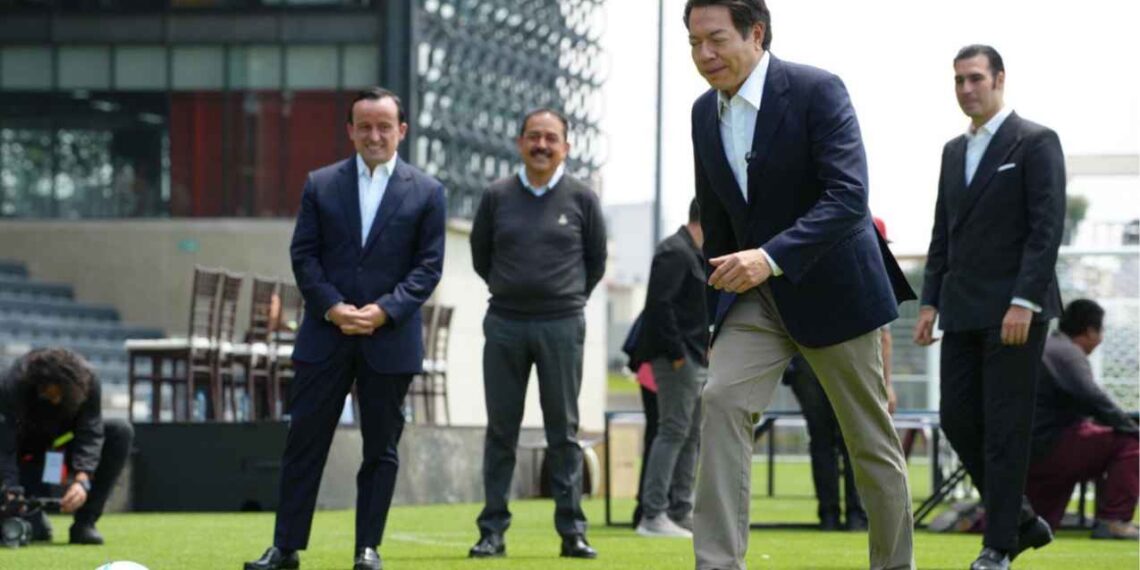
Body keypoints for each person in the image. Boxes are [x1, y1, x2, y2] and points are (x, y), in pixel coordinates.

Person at [684, 1, 916, 568]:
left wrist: (770, 257)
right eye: (694, 44)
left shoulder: (818, 90)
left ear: (756, 33)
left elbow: (847, 198)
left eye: (715, 40)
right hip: (753, 300)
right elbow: (717, 220)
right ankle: (717, 563)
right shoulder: (700, 112)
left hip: (834, 289)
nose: (704, 55)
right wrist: (717, 312)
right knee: (720, 400)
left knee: (867, 441)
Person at [244, 87, 447, 570]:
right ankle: (285, 548)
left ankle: (367, 549)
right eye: (364, 126)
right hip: (325, 334)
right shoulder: (320, 184)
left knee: (381, 447)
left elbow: (428, 266)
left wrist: (383, 311)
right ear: (350, 130)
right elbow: (304, 256)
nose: (374, 135)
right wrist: (334, 308)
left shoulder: (427, 191)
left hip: (389, 338)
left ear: (401, 130)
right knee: (304, 443)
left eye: (384, 126)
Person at [914, 44, 1066, 570]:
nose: (966, 89)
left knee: (1005, 428)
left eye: (975, 78)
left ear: (1000, 79)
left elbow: (1047, 229)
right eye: (958, 80)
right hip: (961, 309)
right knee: (956, 419)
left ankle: (998, 545)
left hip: (1015, 312)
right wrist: (929, 301)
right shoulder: (953, 151)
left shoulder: (1036, 141)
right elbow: (942, 234)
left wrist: (1024, 300)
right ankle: (1022, 519)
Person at [467, 108, 607, 560]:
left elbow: (596, 261)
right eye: (533, 137)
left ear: (566, 146)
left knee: (563, 433)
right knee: (500, 432)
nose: (541, 145)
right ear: (519, 143)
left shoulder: (583, 198)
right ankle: (492, 531)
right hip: (505, 323)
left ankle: (572, 532)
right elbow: (480, 257)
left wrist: (561, 299)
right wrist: (514, 294)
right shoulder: (495, 196)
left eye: (551, 138)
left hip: (562, 324)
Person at [785, 217, 899, 533]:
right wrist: (887, 385)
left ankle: (828, 515)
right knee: (854, 437)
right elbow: (883, 337)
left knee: (820, 440)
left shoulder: (817, 258)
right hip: (849, 359)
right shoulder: (870, 270)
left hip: (806, 361)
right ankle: (857, 516)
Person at [1026, 299, 1139, 539]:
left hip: (1032, 447)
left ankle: (1105, 517)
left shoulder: (1050, 347)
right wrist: (1131, 429)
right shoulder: (1067, 353)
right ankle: (1113, 520)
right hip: (1051, 446)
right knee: (1130, 445)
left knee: (1040, 520)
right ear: (1090, 330)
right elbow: (1093, 398)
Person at [0, 347, 133, 546]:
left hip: (60, 447)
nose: (52, 400)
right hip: (22, 453)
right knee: (36, 532)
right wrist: (10, 487)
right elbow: (5, 442)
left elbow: (90, 431)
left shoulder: (87, 381)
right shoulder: (12, 383)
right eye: (46, 393)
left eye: (57, 395)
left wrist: (82, 479)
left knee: (120, 431)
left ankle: (85, 524)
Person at [632, 198, 708, 538]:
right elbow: (659, 307)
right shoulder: (675, 252)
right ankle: (653, 515)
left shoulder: (692, 253)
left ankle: (680, 511)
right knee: (674, 430)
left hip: (693, 358)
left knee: (690, 435)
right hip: (678, 360)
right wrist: (678, 356)